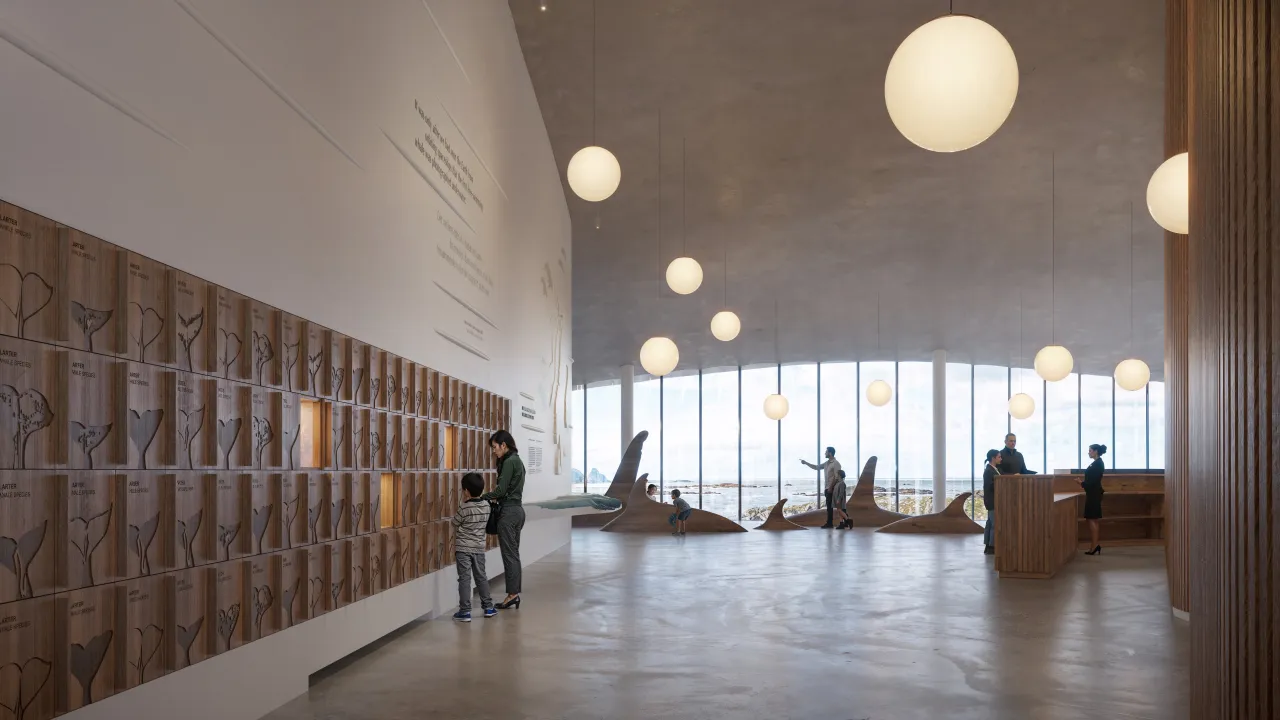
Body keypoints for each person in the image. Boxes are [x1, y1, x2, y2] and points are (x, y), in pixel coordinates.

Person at [482, 430, 526, 609]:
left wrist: (482, 497)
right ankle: (514, 594)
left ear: (504, 445)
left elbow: (500, 491)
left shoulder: (509, 462)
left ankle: (513, 595)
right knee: (513, 555)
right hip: (518, 511)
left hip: (508, 513)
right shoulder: (518, 461)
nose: (494, 451)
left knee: (509, 556)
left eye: (495, 447)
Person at [451, 473, 496, 622]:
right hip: (479, 548)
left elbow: (455, 523)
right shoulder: (487, 506)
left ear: (466, 491)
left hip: (463, 549)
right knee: (481, 577)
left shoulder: (464, 508)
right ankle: (488, 607)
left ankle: (465, 611)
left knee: (464, 579)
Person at [801, 447, 842, 528]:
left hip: (833, 488)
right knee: (829, 507)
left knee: (837, 507)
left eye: (826, 452)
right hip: (827, 488)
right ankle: (830, 523)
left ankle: (843, 522)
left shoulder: (836, 463)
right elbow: (816, 467)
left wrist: (831, 487)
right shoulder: (826, 463)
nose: (825, 453)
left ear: (830, 453)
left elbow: (836, 477)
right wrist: (806, 463)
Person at [1081, 443, 1107, 555]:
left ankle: (1094, 545)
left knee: (1091, 519)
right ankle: (1094, 545)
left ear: (1096, 451)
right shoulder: (1097, 463)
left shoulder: (1097, 464)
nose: (1089, 452)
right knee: (1093, 519)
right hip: (1093, 493)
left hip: (1093, 494)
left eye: (1090, 450)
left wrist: (1081, 483)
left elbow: (1092, 482)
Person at [982, 449, 1001, 555]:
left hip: (992, 500)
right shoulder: (989, 471)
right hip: (992, 501)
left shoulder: (993, 469)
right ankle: (992, 546)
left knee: (990, 523)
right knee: (994, 524)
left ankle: (988, 545)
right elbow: (990, 486)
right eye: (999, 457)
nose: (1001, 459)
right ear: (993, 458)